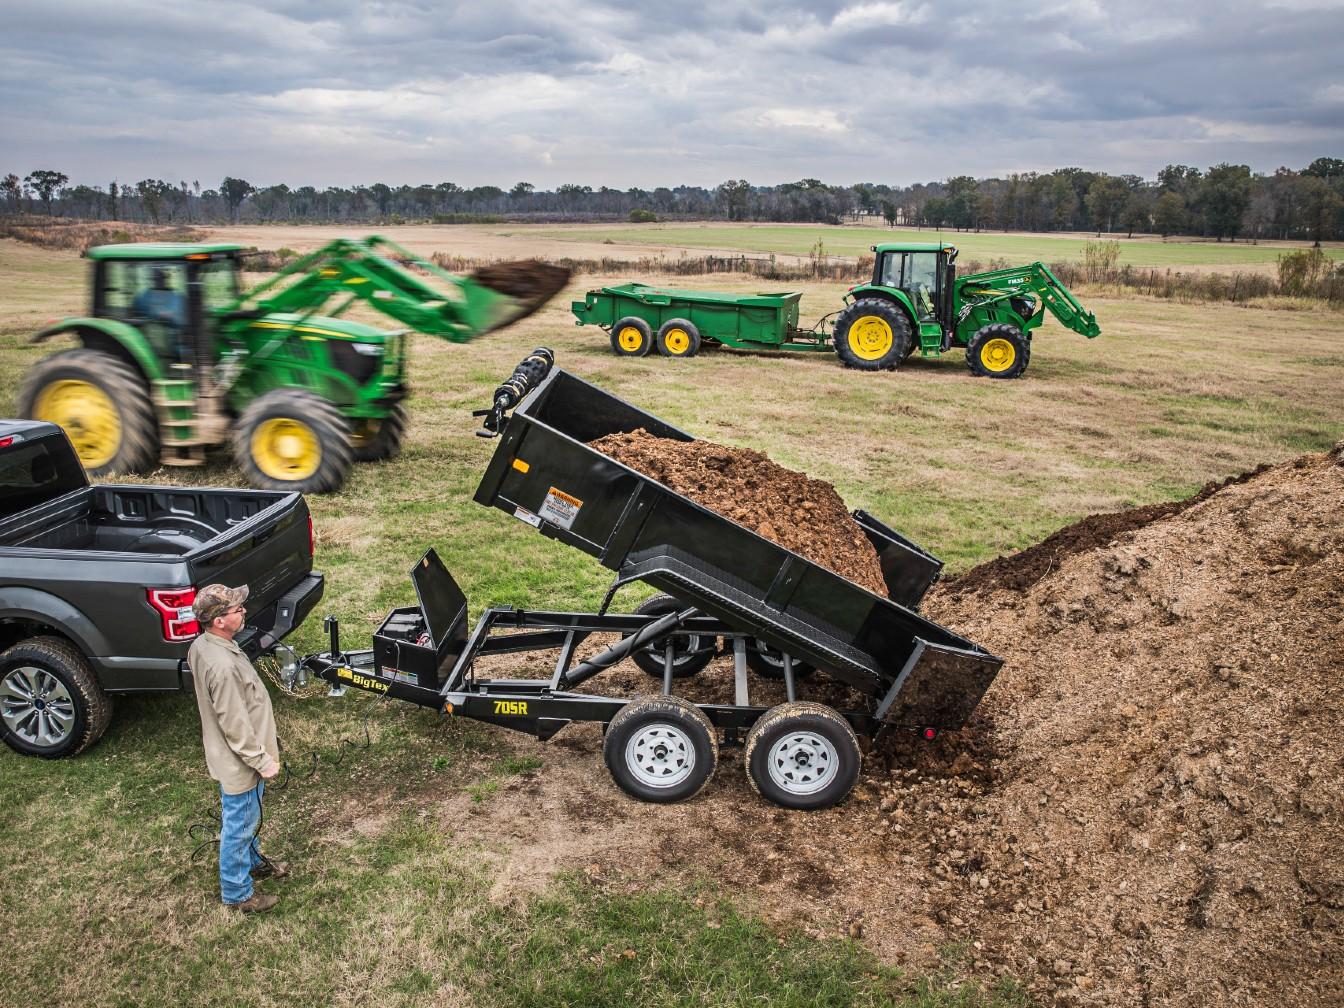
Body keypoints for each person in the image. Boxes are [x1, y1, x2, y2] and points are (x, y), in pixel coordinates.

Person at [188, 583, 289, 913]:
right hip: (241, 762)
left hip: (238, 755)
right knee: (239, 824)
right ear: (218, 620)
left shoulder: (206, 645)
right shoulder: (223, 666)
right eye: (236, 609)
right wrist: (262, 761)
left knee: (248, 816)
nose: (243, 611)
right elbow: (234, 723)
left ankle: (254, 860)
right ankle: (237, 893)